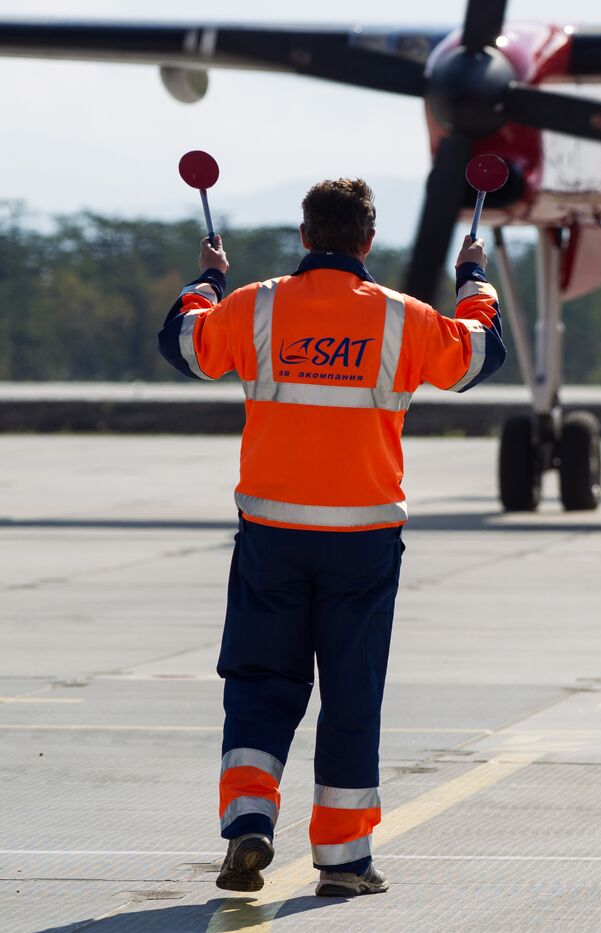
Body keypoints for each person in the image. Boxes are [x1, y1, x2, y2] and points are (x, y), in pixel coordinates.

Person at [156, 178, 506, 897]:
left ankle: (249, 820)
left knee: (260, 683)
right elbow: (479, 356)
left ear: (306, 235)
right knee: (351, 697)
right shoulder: (403, 319)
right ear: (368, 241)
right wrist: (474, 280)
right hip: (362, 540)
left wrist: (209, 278)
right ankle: (343, 862)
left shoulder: (257, 304)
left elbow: (183, 342)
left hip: (272, 532)